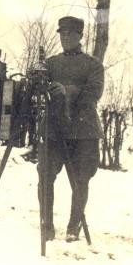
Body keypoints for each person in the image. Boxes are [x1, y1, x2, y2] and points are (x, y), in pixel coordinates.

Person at [38, 15, 105, 242]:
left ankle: (74, 225)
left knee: (80, 180)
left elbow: (92, 94)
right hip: (54, 131)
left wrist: (65, 91)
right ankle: (46, 223)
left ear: (80, 36)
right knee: (45, 176)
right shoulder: (51, 63)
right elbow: (41, 90)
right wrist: (37, 81)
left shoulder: (93, 65)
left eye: (70, 34)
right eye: (62, 33)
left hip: (83, 132)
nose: (65, 38)